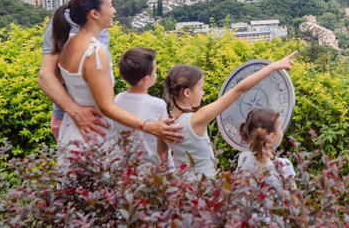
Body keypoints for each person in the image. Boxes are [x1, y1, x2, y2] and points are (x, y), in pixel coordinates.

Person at [51, 0, 182, 151]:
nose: (114, 10)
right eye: (110, 6)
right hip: (93, 134)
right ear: (95, 13)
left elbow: (58, 79)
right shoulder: (95, 52)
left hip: (71, 130)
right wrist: (148, 126)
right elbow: (107, 107)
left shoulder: (68, 42)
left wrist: (75, 107)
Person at [163, 52, 297, 181]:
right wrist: (274, 66)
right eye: (200, 88)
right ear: (187, 92)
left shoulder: (162, 124)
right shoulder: (197, 119)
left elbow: (162, 162)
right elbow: (240, 89)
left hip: (179, 190)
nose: (203, 93)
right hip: (202, 191)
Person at [40, 0, 114, 140]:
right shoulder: (63, 24)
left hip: (98, 117)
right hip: (73, 119)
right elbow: (46, 76)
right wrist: (76, 112)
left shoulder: (97, 20)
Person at [113, 47, 169, 162]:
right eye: (155, 71)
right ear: (146, 79)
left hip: (123, 166)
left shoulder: (116, 100)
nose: (156, 74)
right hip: (151, 168)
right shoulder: (158, 105)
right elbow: (163, 140)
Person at [237, 107, 295, 190]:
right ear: (272, 137)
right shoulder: (284, 166)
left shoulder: (243, 158)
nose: (282, 131)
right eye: (280, 128)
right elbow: (294, 198)